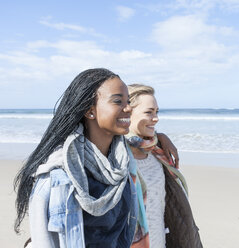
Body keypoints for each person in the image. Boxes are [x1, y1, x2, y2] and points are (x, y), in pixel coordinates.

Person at [13, 68, 177, 248]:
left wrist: (161, 138)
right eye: (118, 101)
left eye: (128, 101)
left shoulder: (122, 168)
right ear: (90, 111)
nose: (128, 108)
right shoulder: (59, 177)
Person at [126, 84, 203, 248]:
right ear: (127, 112)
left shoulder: (157, 152)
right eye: (148, 112)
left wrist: (160, 136)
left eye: (157, 112)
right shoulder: (113, 158)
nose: (156, 118)